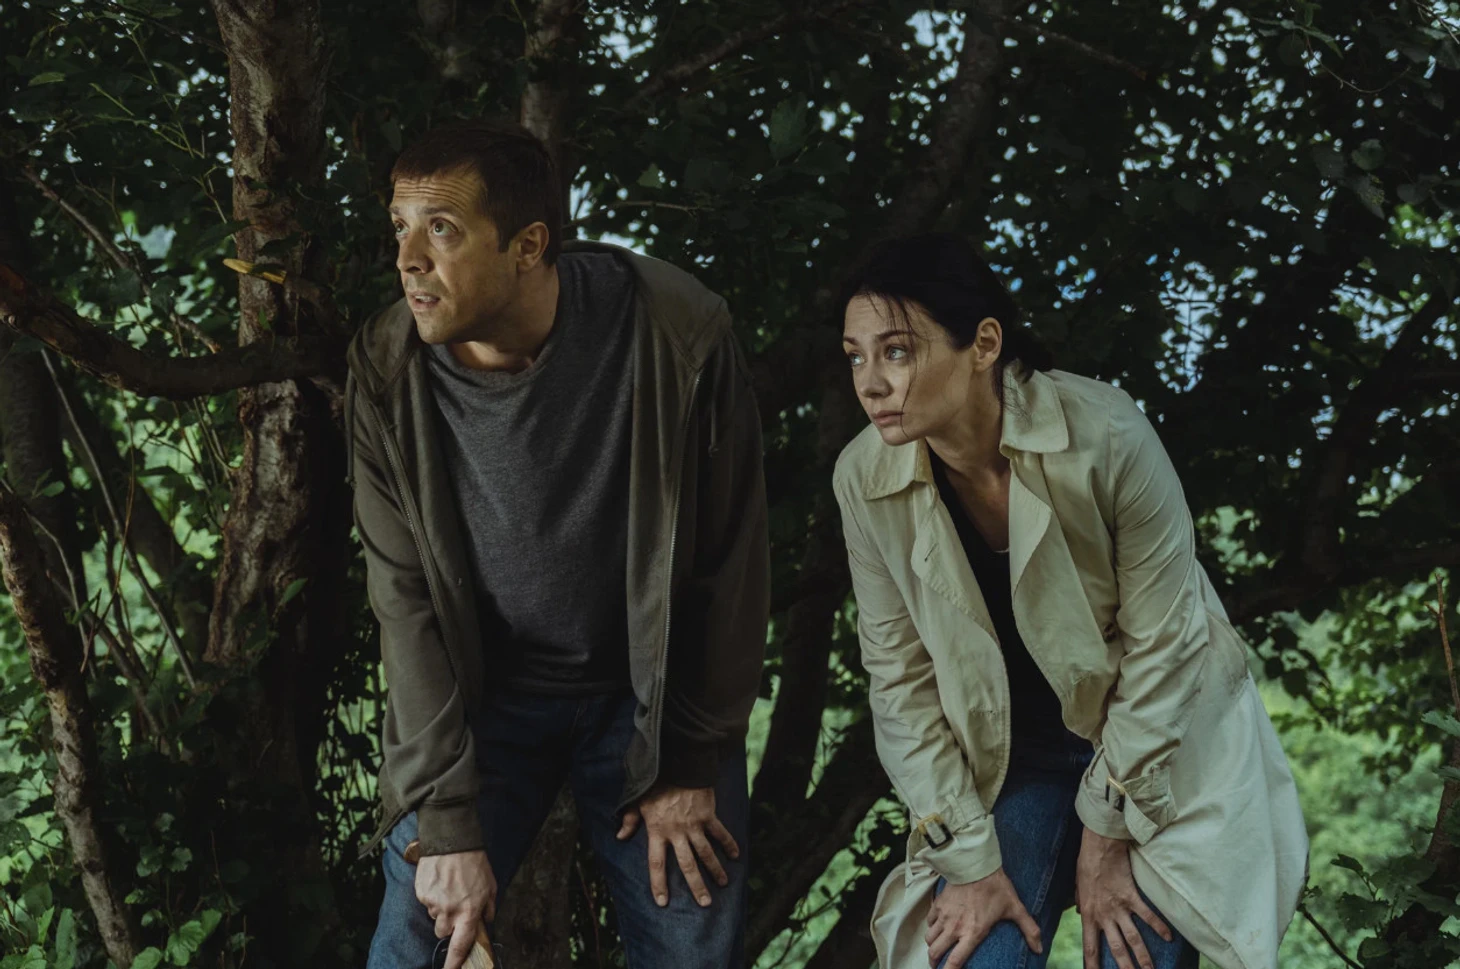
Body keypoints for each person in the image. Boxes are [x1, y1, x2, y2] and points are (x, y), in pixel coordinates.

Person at [345, 118, 769, 969]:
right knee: (416, 943)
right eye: (400, 226)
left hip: (649, 698)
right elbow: (406, 603)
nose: (408, 259)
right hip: (488, 701)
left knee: (691, 940)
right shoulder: (389, 369)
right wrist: (447, 821)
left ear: (528, 245)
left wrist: (688, 757)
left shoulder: (674, 330)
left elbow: (730, 562)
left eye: (441, 229)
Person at [830, 233, 1309, 969]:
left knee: (1133, 951)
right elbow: (899, 682)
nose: (871, 383)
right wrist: (969, 860)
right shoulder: (864, 479)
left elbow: (1168, 644)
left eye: (896, 351)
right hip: (1010, 760)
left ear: (984, 344)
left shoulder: (1107, 433)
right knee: (975, 957)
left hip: (1154, 743)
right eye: (855, 356)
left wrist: (1107, 832)